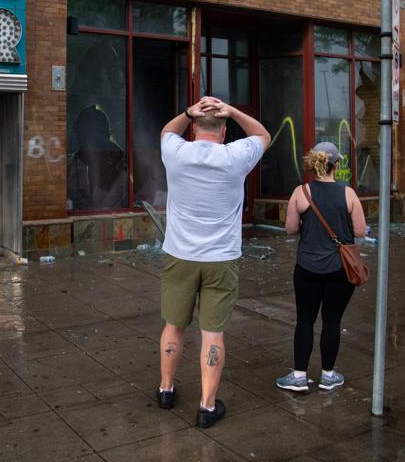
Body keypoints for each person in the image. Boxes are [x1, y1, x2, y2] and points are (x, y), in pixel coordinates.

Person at [156, 96, 270, 428]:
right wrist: (232, 111)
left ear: (193, 129)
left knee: (173, 325)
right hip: (221, 259)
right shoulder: (236, 156)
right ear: (223, 132)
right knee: (212, 334)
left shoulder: (175, 152)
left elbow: (166, 130)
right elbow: (263, 135)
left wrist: (188, 111)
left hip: (180, 256)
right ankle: (207, 407)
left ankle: (166, 390)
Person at [275, 141, 366, 393]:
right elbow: (359, 231)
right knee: (332, 321)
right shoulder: (348, 193)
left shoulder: (300, 192)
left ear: (313, 164)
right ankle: (328, 376)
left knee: (305, 320)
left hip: (307, 268)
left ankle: (299, 376)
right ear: (336, 165)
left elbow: (290, 229)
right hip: (340, 269)